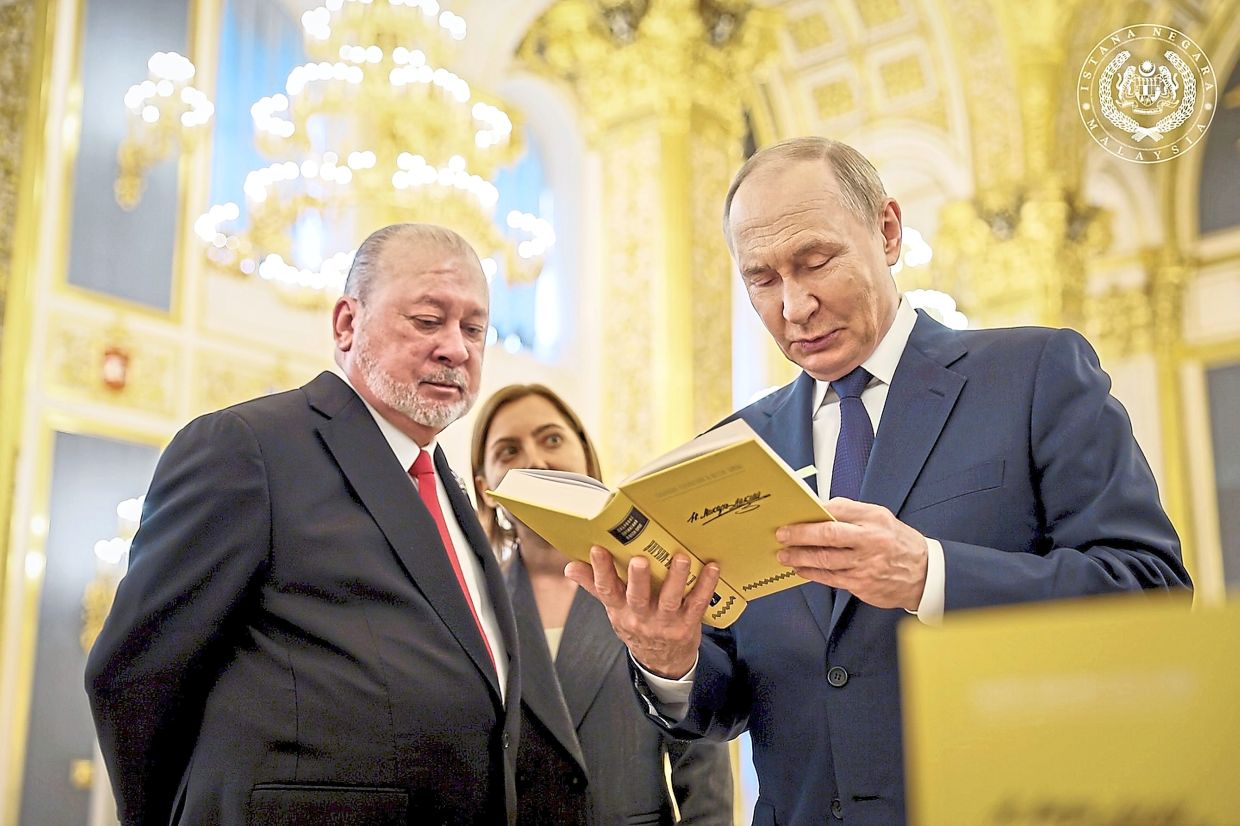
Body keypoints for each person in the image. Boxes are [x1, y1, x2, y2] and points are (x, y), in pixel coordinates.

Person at [565, 137, 1193, 826]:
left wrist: (930, 574)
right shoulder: (730, 451)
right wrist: (669, 658)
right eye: (762, 279)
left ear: (887, 231)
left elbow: (1149, 590)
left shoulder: (1034, 374)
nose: (794, 306)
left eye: (814, 262)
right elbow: (729, 698)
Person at [85, 224, 521, 825]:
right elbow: (135, 676)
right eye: (428, 320)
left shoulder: (447, 487)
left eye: (474, 328)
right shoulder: (247, 449)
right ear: (347, 324)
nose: (457, 348)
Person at [471, 384, 734, 826]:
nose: (536, 461)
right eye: (509, 451)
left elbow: (701, 761)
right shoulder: (474, 602)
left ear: (586, 460)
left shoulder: (653, 585)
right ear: (486, 489)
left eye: (552, 439)